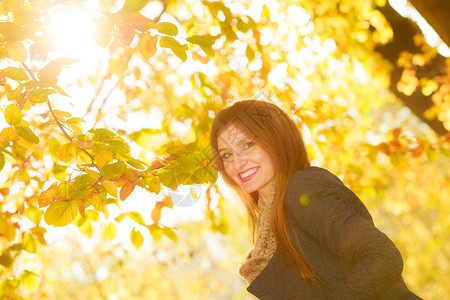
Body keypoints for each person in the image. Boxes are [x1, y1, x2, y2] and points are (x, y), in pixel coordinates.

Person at [209, 99, 422, 299]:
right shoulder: (269, 229)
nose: (237, 164)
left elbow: (381, 257)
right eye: (226, 155)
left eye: (247, 145)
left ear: (276, 138)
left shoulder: (302, 190)